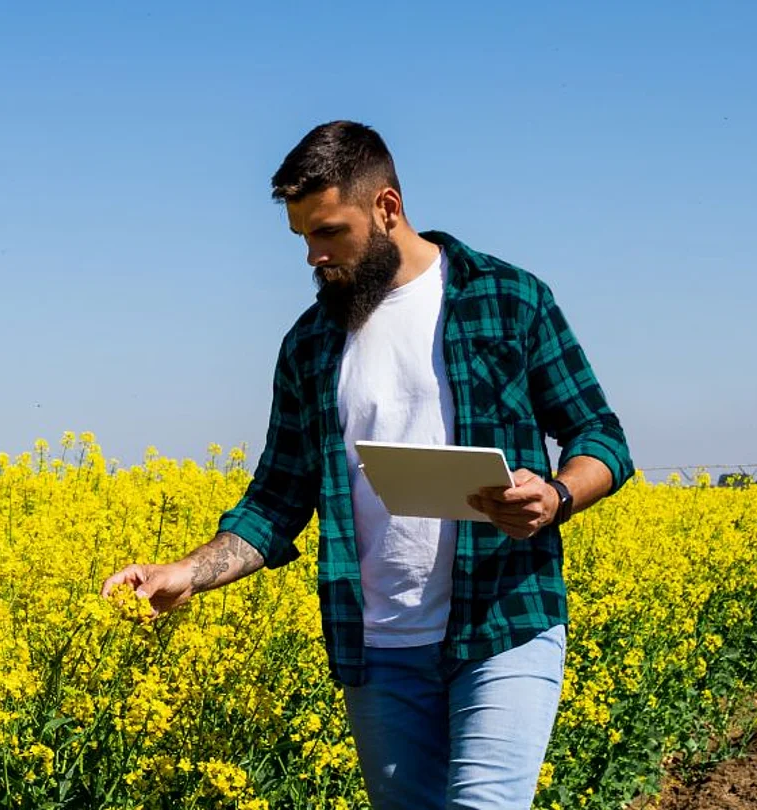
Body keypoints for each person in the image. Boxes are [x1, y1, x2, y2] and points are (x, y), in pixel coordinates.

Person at [99, 120, 632, 809]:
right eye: (303, 239)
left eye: (329, 233)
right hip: (379, 649)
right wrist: (186, 575)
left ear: (387, 209)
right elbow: (276, 501)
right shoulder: (310, 346)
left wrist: (556, 494)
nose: (314, 258)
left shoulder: (510, 300)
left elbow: (601, 437)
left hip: (503, 622)